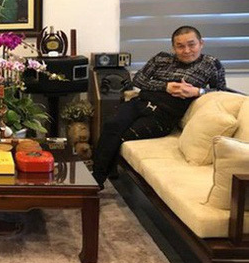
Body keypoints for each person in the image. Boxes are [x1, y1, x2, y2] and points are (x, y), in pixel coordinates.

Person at [92, 26, 226, 189]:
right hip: (140, 102)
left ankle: (100, 180)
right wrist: (165, 86)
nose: (186, 51)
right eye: (180, 46)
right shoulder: (161, 58)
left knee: (123, 136)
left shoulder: (211, 64)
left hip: (164, 115)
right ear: (173, 47)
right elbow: (138, 79)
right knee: (111, 125)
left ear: (201, 43)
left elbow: (222, 92)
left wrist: (198, 91)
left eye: (192, 45)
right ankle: (94, 180)